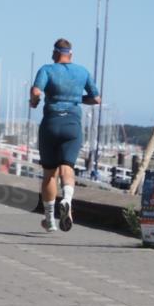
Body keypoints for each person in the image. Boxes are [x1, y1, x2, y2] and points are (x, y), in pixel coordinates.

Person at [30, 38, 100, 232]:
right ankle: (67, 200)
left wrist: (34, 101)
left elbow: (36, 91)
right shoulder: (82, 72)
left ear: (55, 53)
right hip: (72, 125)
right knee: (67, 168)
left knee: (49, 175)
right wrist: (76, 98)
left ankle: (49, 220)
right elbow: (96, 98)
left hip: (51, 124)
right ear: (71, 54)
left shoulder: (47, 70)